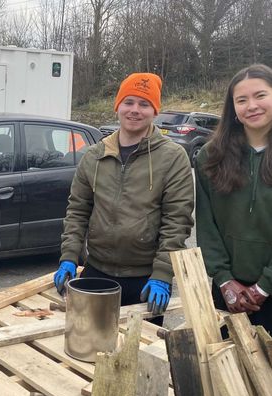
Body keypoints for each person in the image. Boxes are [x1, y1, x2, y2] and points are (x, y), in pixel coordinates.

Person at [54, 73, 194, 317]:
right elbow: (77, 210)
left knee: (138, 350)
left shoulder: (172, 157)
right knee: (87, 346)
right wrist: (69, 256)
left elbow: (177, 221)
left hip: (144, 278)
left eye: (144, 104)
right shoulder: (94, 156)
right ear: (118, 106)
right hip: (96, 270)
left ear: (155, 111)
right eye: (129, 102)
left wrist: (162, 274)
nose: (135, 110)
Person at [196, 64, 272, 333]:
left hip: (270, 289)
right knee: (223, 369)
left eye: (260, 95)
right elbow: (206, 225)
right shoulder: (210, 157)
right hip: (228, 292)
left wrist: (266, 284)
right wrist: (223, 279)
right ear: (233, 109)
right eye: (242, 100)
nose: (251, 105)